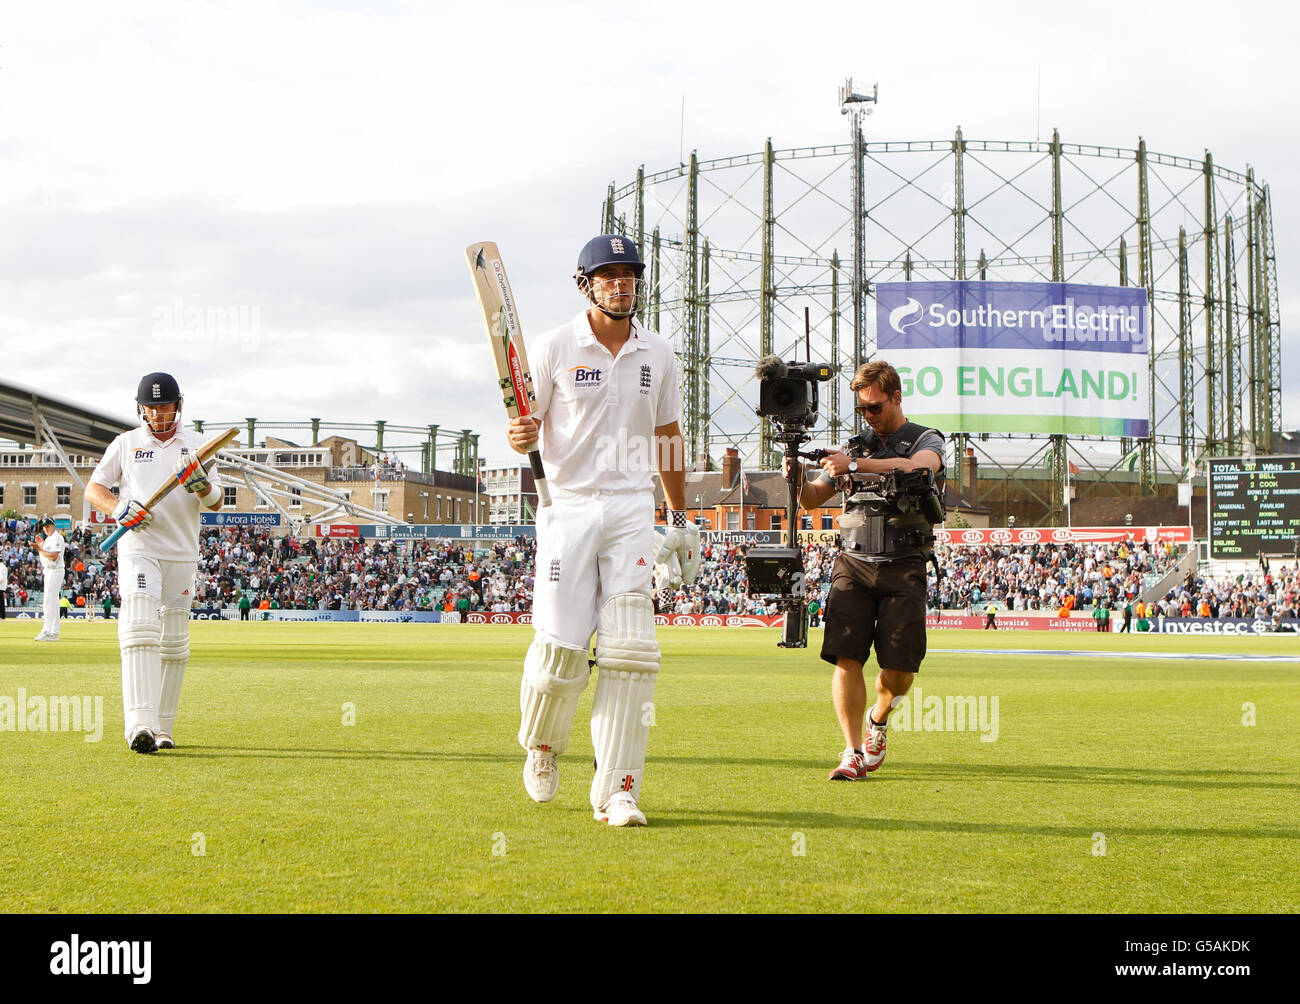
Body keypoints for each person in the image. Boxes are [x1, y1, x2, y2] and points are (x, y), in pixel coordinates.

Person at [505, 234, 696, 827]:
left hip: (632, 507)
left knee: (631, 650)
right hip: (568, 505)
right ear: (585, 283)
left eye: (630, 274)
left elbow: (668, 437)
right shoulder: (555, 346)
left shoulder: (658, 352)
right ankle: (541, 748)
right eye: (608, 275)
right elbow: (524, 425)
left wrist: (681, 518)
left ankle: (618, 790)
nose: (622, 284)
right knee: (561, 650)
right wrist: (518, 437)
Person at [786, 360, 944, 780]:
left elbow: (922, 468)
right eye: (862, 410)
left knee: (899, 673)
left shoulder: (924, 439)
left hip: (904, 563)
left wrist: (854, 467)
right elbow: (812, 499)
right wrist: (798, 477)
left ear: (896, 397)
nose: (869, 416)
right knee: (846, 657)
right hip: (853, 562)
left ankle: (879, 717)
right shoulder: (855, 446)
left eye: (875, 407)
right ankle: (852, 751)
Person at [84, 373, 224, 754]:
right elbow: (93, 488)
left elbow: (217, 502)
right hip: (139, 545)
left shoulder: (198, 446)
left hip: (182, 550)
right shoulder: (126, 444)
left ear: (177, 406)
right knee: (141, 625)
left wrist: (201, 485)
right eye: (151, 408)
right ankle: (139, 724)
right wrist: (118, 507)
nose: (158, 414)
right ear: (140, 409)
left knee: (174, 641)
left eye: (164, 407)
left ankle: (163, 727)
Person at [31, 516, 66, 641]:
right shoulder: (49, 539)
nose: (46, 529)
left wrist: (39, 548)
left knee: (48, 601)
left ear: (53, 525)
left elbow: (54, 556)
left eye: (48, 526)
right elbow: (47, 555)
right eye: (44, 527)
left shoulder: (57, 537)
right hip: (49, 570)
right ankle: (54, 632)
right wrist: (41, 545)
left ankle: (47, 629)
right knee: (53, 602)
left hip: (55, 570)